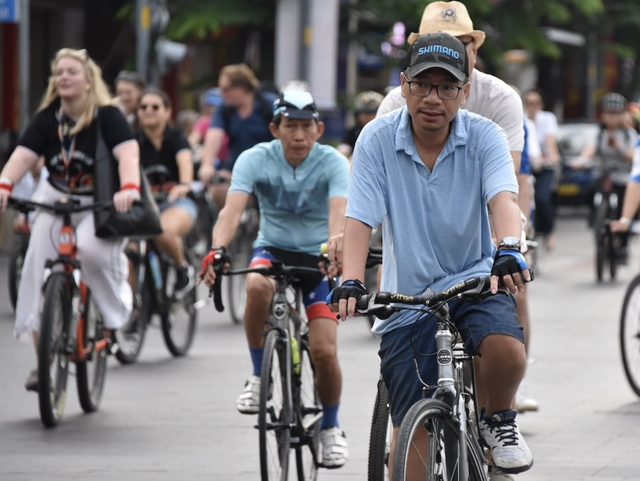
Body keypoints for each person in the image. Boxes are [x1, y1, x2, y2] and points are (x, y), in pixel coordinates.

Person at [327, 32, 533, 477]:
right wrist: (351, 279)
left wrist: (509, 249)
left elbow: (504, 199)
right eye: (422, 84)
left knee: (507, 350)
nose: (432, 98)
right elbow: (360, 218)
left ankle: (498, 419)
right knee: (410, 431)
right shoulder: (376, 138)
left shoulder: (486, 136)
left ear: (465, 91)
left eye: (446, 87)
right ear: (403, 85)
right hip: (408, 299)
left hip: (474, 278)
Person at [199, 90, 350, 468]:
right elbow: (231, 213)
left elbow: (339, 214)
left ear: (318, 129)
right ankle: (256, 374)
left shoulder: (332, 161)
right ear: (274, 128)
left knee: (325, 353)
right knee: (254, 285)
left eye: (305, 127)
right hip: (273, 249)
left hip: (318, 260)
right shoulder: (254, 159)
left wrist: (335, 249)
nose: (298, 135)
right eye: (289, 126)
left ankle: (330, 428)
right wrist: (217, 249)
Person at [0, 48, 140, 390]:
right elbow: (23, 156)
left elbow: (128, 154)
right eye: (59, 72)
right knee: (35, 270)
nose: (64, 77)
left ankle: (115, 309)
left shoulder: (108, 116)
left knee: (92, 251)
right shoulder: (48, 118)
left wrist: (130, 187)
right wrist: (4, 184)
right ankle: (41, 361)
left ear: (88, 81)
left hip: (98, 202)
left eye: (71, 71)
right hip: (55, 199)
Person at [136, 87, 197, 297]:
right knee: (128, 251)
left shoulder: (176, 137)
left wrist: (184, 184)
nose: (148, 111)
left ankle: (182, 268)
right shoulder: (133, 141)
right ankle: (132, 307)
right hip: (142, 206)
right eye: (143, 107)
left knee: (163, 229)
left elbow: (185, 160)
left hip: (175, 203)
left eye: (155, 107)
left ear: (167, 111)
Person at [198, 64, 278, 210]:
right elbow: (215, 134)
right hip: (236, 168)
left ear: (242, 87)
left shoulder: (268, 104)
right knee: (219, 190)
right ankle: (234, 227)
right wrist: (207, 164)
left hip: (269, 167)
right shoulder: (225, 109)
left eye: (226, 89)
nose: (222, 94)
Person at [523, 88, 561, 250]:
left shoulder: (546, 119)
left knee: (542, 199)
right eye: (528, 103)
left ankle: (549, 232)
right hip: (527, 167)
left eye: (535, 103)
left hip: (545, 166)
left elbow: (549, 139)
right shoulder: (521, 119)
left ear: (541, 105)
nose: (532, 106)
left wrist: (552, 155)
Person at [337, 91, 384, 158]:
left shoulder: (385, 132)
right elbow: (344, 149)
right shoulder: (353, 132)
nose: (365, 117)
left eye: (370, 113)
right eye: (362, 113)